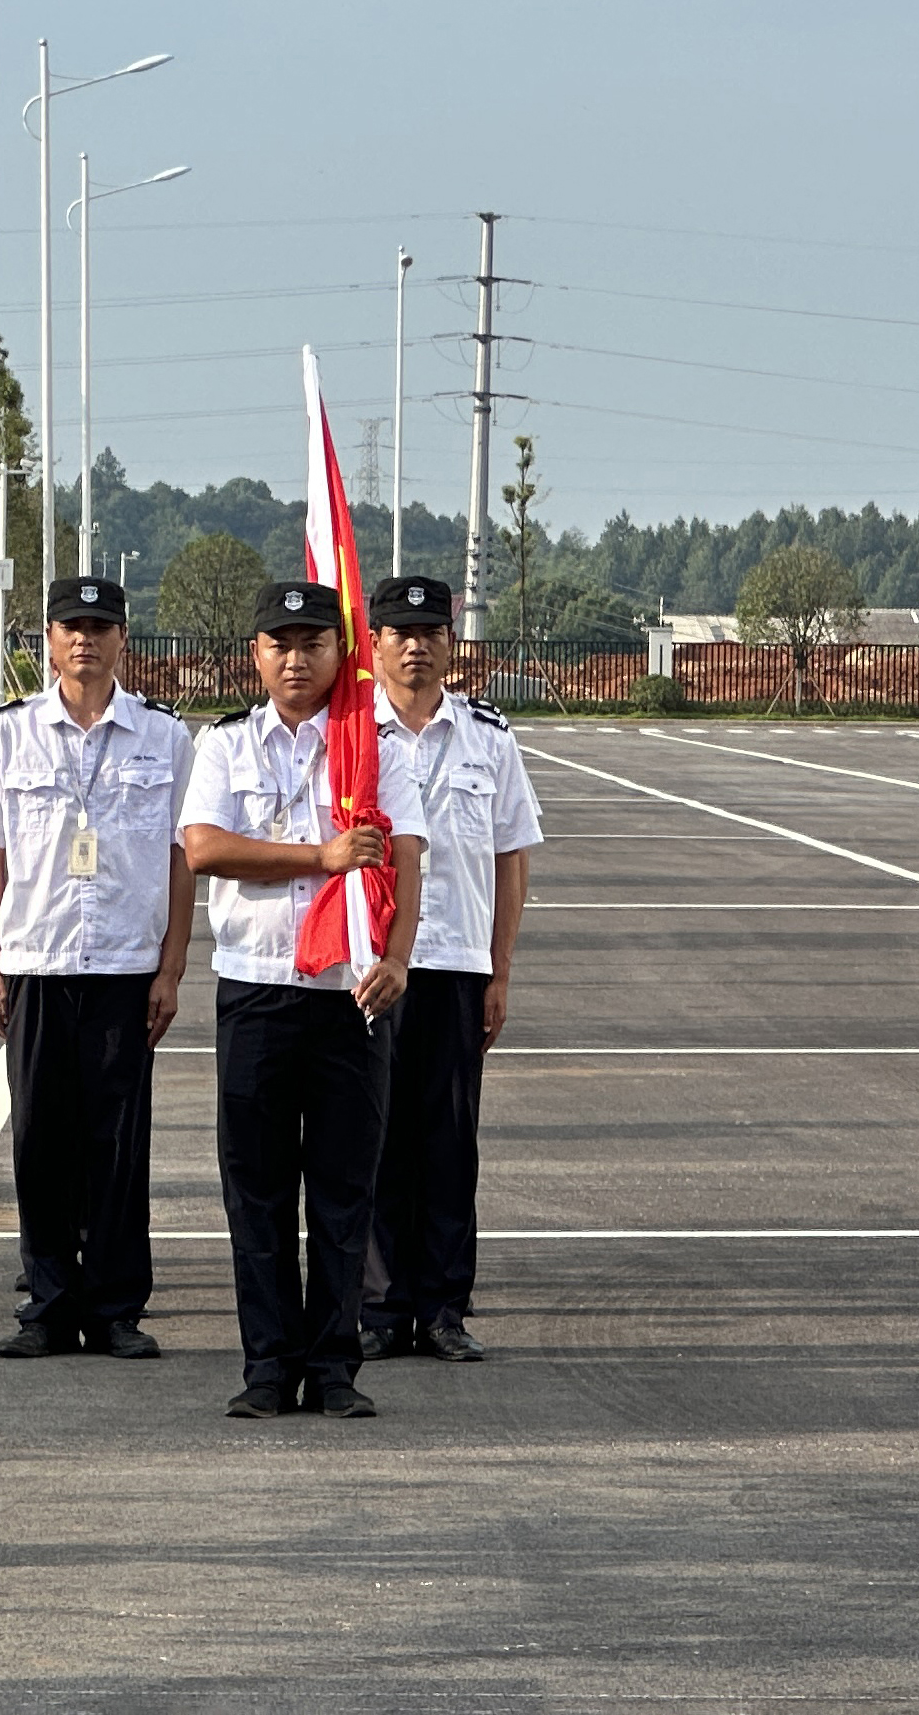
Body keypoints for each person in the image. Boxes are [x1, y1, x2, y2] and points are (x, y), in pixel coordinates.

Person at [180, 580, 426, 1420]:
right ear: (255, 653)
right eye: (279, 643)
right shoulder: (225, 744)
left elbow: (406, 857)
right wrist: (318, 857)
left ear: (339, 652)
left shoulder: (372, 748)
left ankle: (332, 1365)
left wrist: (398, 958)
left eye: (313, 643)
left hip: (347, 993)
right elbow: (203, 847)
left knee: (341, 1188)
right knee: (255, 1188)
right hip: (257, 989)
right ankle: (265, 1364)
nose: (295, 659)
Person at [0, 576, 195, 1363]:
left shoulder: (163, 736)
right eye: (70, 626)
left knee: (117, 1143)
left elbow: (182, 857)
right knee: (39, 1139)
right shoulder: (6, 733)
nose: (84, 639)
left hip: (125, 964)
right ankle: (49, 1303)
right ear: (48, 638)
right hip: (38, 962)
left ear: (123, 637)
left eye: (99, 626)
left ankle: (116, 1307)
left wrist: (171, 968)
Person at [359, 575, 542, 1364]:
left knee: (447, 1143)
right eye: (400, 632)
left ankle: (441, 1307)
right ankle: (377, 1306)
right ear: (374, 643)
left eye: (431, 631)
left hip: (457, 964)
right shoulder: (349, 737)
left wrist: (499, 972)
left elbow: (511, 857)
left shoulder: (487, 737)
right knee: (370, 1139)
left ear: (450, 642)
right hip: (370, 969)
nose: (416, 645)